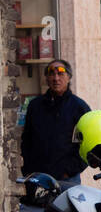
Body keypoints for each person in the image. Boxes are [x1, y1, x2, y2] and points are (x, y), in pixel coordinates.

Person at [20, 58, 91, 189]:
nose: (56, 78)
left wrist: (69, 171)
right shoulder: (35, 106)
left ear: (69, 77)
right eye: (51, 73)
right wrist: (28, 169)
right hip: (37, 178)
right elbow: (27, 140)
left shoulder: (79, 107)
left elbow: (89, 145)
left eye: (60, 74)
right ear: (46, 78)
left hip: (67, 180)